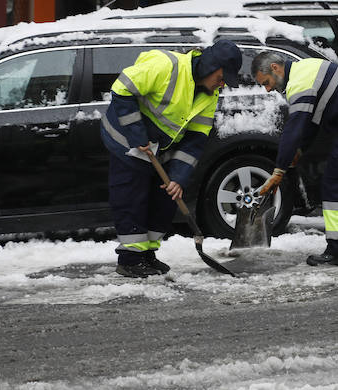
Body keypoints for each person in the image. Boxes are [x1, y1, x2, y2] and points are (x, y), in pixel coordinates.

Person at [100, 39, 242, 278]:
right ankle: (130, 259)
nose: (223, 83)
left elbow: (196, 139)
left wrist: (178, 178)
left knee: (165, 199)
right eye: (221, 76)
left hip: (160, 147)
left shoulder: (209, 94)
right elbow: (122, 88)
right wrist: (137, 134)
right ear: (210, 66)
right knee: (132, 199)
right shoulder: (166, 66)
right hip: (127, 139)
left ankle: (147, 255)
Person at [252, 51, 338, 266]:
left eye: (266, 82)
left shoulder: (299, 83)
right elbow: (311, 121)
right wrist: (300, 150)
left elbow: (294, 128)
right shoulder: (305, 69)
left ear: (276, 68)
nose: (268, 89)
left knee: (334, 183)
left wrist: (279, 169)